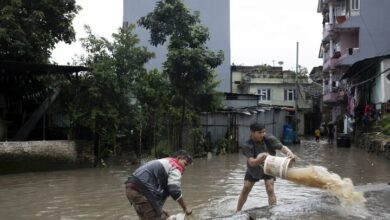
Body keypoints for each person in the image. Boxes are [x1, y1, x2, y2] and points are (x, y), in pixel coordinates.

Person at [236, 122, 297, 212]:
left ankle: (273, 211)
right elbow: (252, 163)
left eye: (263, 132)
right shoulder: (247, 145)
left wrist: (290, 154)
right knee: (246, 188)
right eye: (259, 132)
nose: (262, 134)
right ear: (252, 132)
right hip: (254, 169)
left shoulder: (269, 139)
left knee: (270, 188)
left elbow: (282, 148)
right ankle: (237, 212)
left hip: (270, 166)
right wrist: (261, 159)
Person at [125, 150, 193, 219]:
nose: (184, 169)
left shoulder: (166, 162)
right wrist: (185, 207)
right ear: (178, 158)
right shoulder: (175, 166)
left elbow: (159, 192)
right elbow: (174, 190)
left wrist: (159, 209)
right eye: (185, 164)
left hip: (131, 189)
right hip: (141, 190)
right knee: (157, 217)